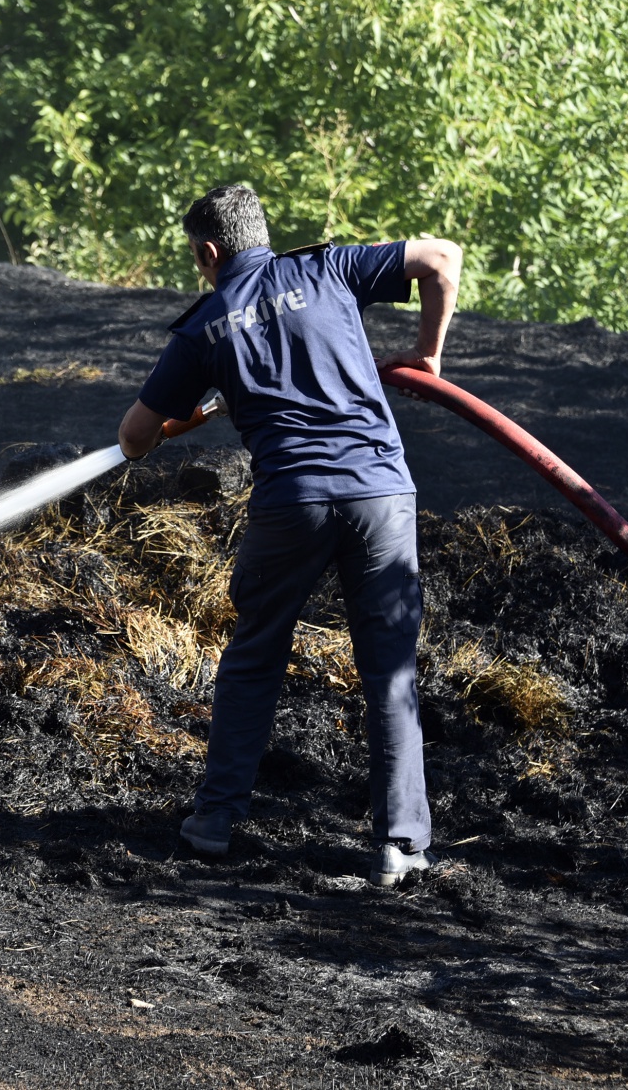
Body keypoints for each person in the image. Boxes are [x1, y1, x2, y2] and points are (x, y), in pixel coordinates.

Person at [117, 184, 462, 887]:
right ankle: (399, 845)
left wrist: (194, 407)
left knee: (253, 658)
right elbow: (442, 258)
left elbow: (132, 439)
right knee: (389, 670)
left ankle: (213, 822)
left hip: (291, 504)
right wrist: (427, 355)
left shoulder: (204, 325)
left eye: (196, 257)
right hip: (381, 496)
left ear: (209, 252)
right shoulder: (328, 269)